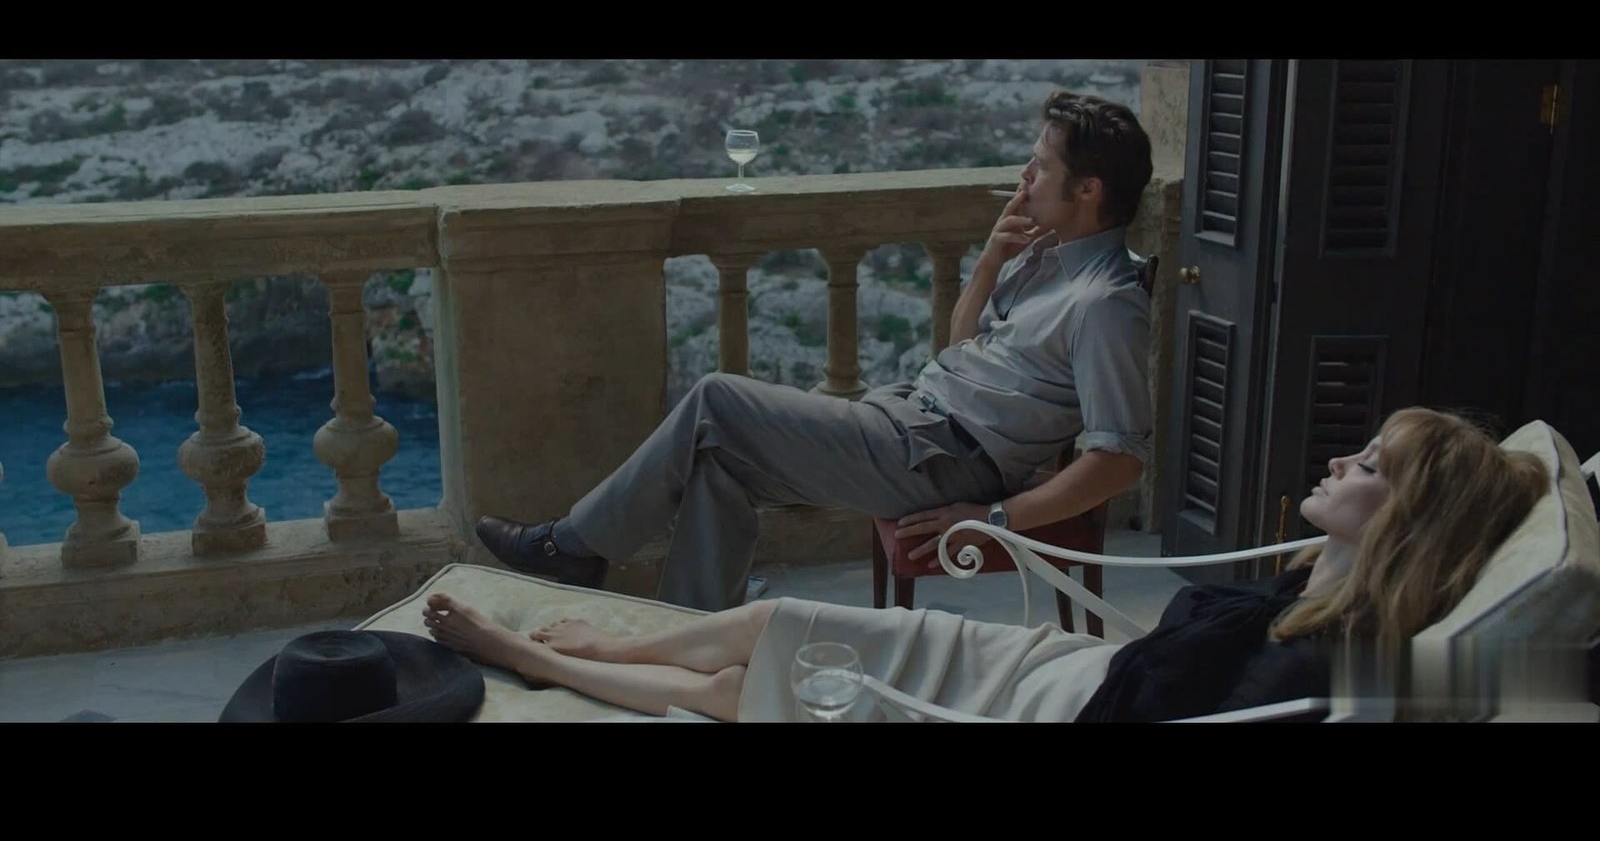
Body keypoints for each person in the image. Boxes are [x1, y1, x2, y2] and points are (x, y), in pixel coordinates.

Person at [474, 90, 1157, 612]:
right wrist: (988, 262)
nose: (1025, 175)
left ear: (1087, 190)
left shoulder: (1104, 303)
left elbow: (1119, 460)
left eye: (1041, 166)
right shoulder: (1045, 259)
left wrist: (994, 520)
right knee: (718, 465)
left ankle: (571, 546)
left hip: (945, 461)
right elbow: (962, 350)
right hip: (915, 424)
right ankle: (691, 631)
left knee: (716, 398)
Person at [422, 407, 1550, 722]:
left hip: (1055, 705)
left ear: (1410, 520)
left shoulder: (1331, 653)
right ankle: (611, 644)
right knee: (770, 633)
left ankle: (542, 656)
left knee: (750, 685)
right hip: (1065, 669)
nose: (1341, 461)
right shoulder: (1322, 587)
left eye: (1370, 466)